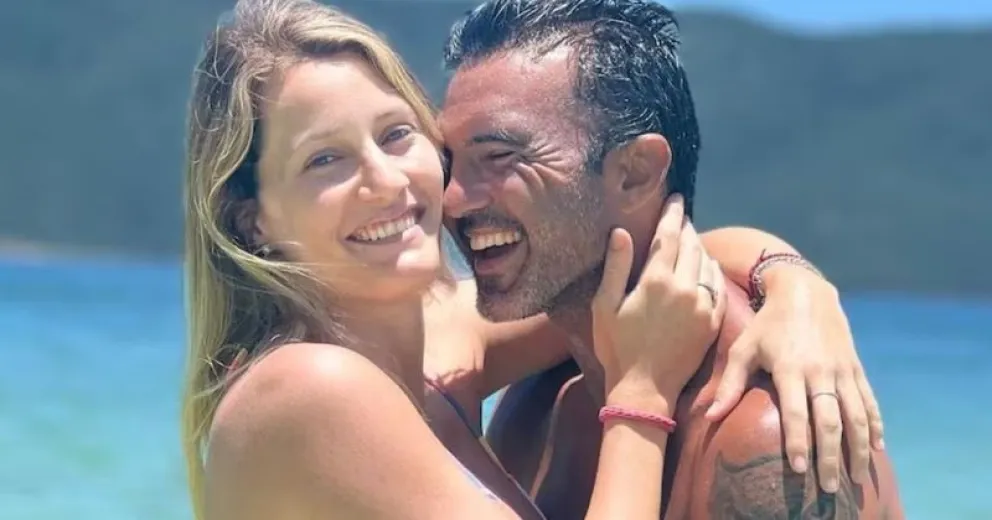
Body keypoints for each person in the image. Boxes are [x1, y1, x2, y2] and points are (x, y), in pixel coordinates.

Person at [180, 0, 889, 518]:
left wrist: (794, 288)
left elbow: (645, 266)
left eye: (397, 135)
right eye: (324, 160)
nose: (389, 181)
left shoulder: (431, 356)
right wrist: (640, 396)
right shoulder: (313, 388)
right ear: (255, 220)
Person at [439, 0, 905, 518]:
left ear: (635, 173)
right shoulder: (539, 400)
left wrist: (794, 282)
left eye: (498, 157)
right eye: (448, 162)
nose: (452, 200)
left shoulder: (766, 441)